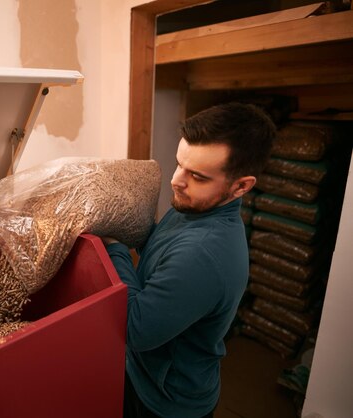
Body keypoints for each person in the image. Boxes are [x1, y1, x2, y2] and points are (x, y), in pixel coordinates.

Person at [103, 102, 277, 418]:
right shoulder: (195, 208)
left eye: (196, 175)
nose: (176, 180)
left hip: (166, 402)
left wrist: (113, 245)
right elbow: (160, 252)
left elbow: (136, 329)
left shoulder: (205, 254)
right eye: (179, 163)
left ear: (241, 186)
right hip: (143, 375)